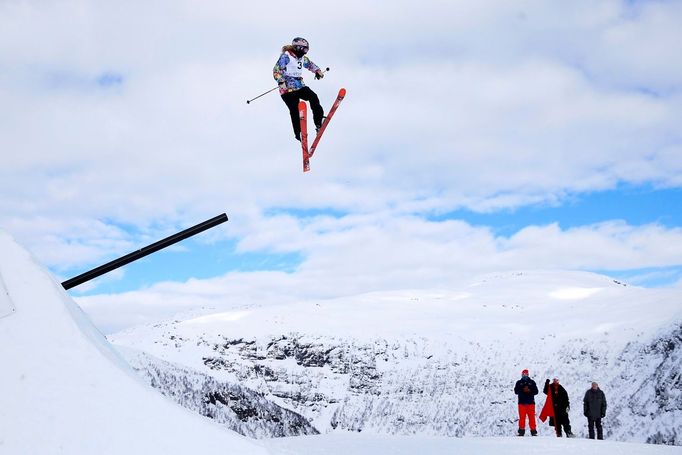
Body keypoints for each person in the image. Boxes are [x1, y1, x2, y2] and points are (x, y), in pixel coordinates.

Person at [273, 37, 325, 141]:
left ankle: (319, 122)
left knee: (313, 97)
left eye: (307, 50)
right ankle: (299, 133)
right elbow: (276, 70)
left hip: (299, 86)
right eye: (304, 50)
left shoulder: (302, 58)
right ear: (298, 48)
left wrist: (317, 71)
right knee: (294, 109)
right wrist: (281, 81)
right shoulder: (286, 56)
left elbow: (310, 64)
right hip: (287, 89)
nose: (305, 52)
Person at [514, 369, 539, 436]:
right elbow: (516, 391)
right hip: (522, 403)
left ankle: (533, 432)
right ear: (522, 375)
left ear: (528, 375)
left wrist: (529, 390)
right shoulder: (519, 382)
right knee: (522, 418)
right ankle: (521, 432)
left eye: (526, 374)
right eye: (523, 374)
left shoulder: (532, 382)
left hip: (530, 403)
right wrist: (523, 390)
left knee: (532, 418)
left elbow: (536, 391)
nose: (524, 376)